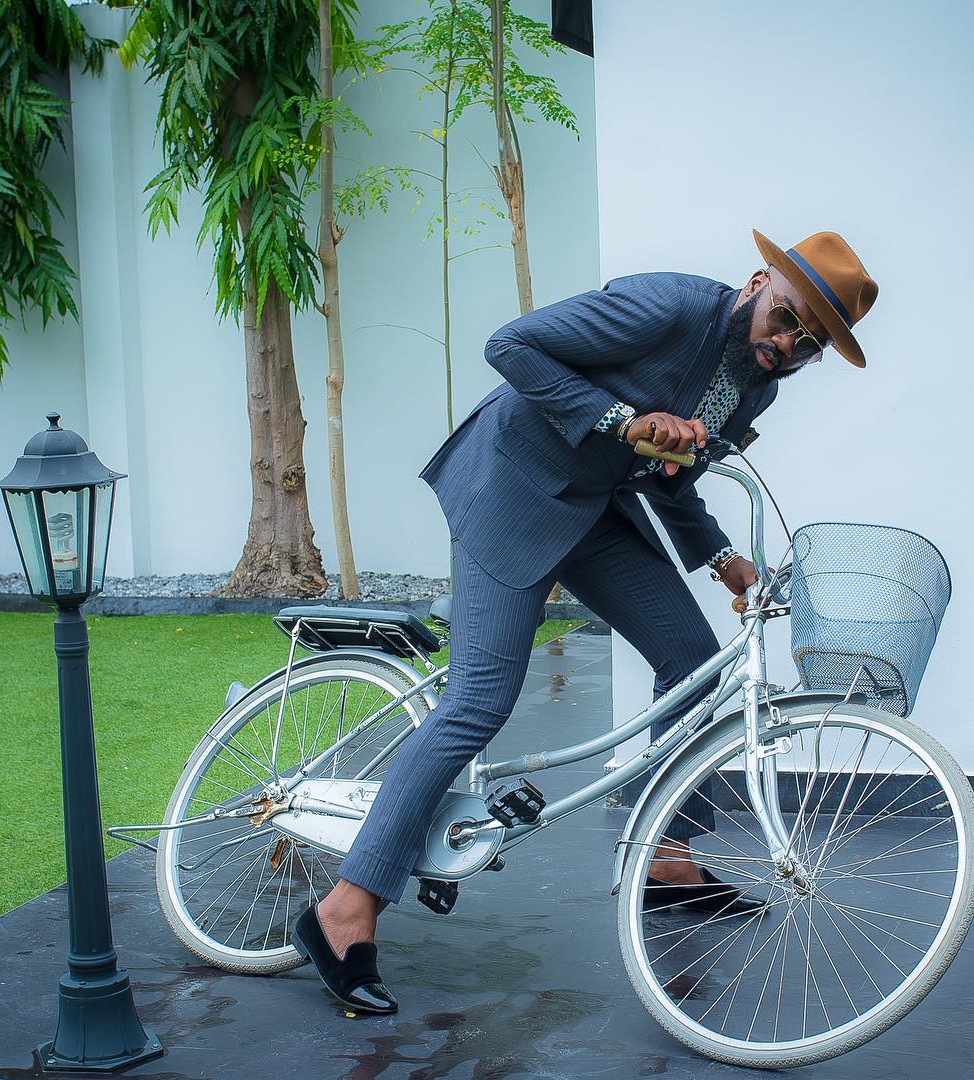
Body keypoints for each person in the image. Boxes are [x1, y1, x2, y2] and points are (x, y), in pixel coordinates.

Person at [290, 228, 879, 1014]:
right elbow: (512, 347)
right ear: (757, 282)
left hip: (594, 509)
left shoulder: (754, 384)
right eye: (786, 318)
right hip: (513, 485)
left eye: (809, 344)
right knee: (479, 700)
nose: (787, 345)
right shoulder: (668, 307)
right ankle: (345, 909)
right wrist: (622, 419)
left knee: (691, 659)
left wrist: (722, 558)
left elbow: (672, 475)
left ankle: (665, 856)